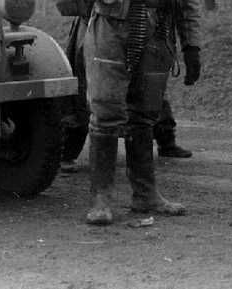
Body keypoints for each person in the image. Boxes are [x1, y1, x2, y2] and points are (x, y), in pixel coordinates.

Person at [55, 0, 201, 225]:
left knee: (145, 116)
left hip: (157, 32)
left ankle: (145, 195)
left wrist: (192, 46)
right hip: (112, 29)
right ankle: (101, 199)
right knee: (106, 112)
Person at [60, 17, 192, 173]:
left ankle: (166, 141)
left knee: (149, 91)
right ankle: (68, 152)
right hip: (100, 26)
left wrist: (191, 46)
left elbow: (183, 8)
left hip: (149, 26)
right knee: (88, 94)